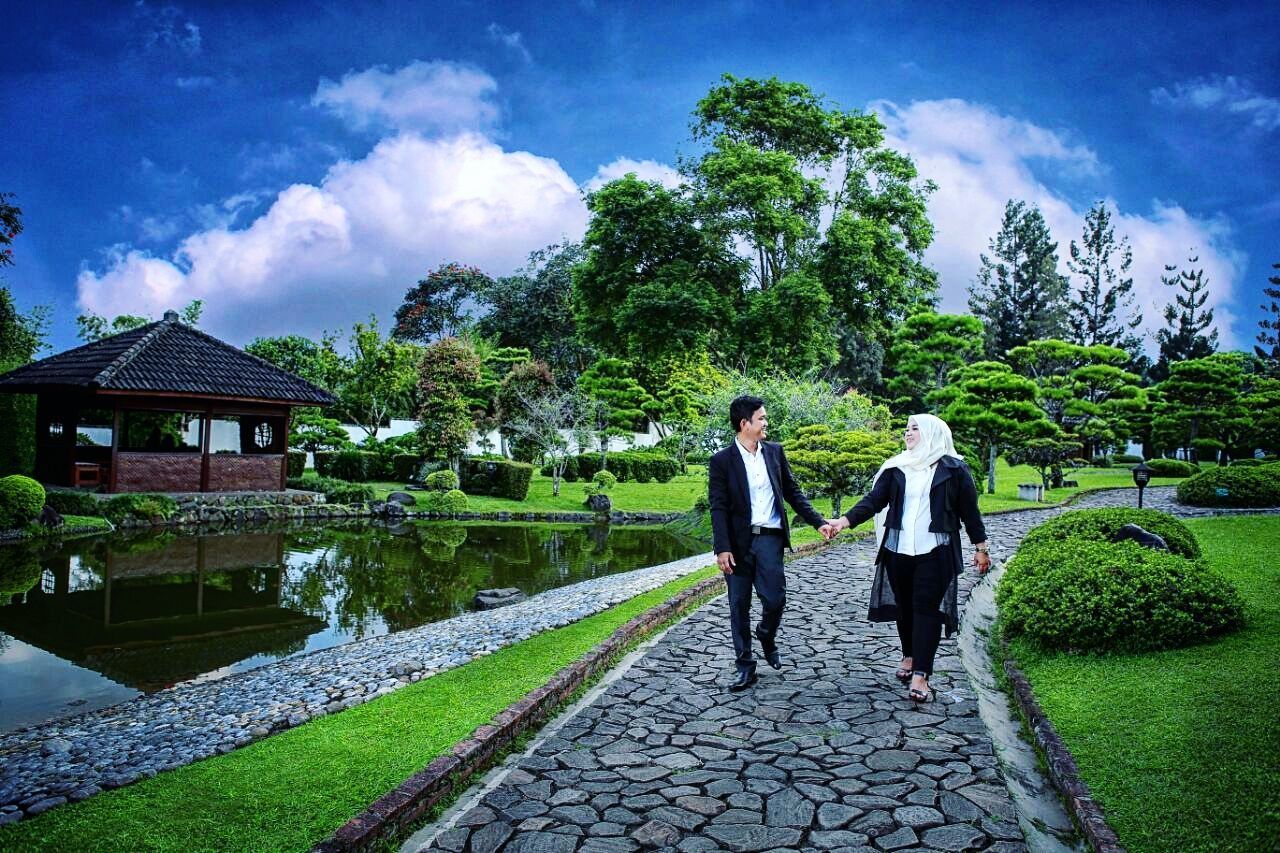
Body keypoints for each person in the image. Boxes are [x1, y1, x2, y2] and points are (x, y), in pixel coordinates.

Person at [825, 414, 991, 702]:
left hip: (935, 550)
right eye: (906, 429)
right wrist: (844, 521)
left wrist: (981, 547)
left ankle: (921, 674)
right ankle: (909, 654)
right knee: (904, 608)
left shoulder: (955, 469)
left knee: (927, 610)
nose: (908, 433)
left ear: (932, 433)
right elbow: (874, 501)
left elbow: (970, 512)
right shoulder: (897, 466)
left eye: (915, 428)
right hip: (898, 549)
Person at [708, 395, 835, 691]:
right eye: (761, 418)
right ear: (744, 424)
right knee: (738, 605)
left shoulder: (775, 453)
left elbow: (793, 493)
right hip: (738, 544)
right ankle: (745, 666)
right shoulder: (721, 461)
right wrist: (722, 547)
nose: (766, 423)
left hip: (769, 540)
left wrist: (819, 522)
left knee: (775, 599)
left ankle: (766, 634)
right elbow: (718, 506)